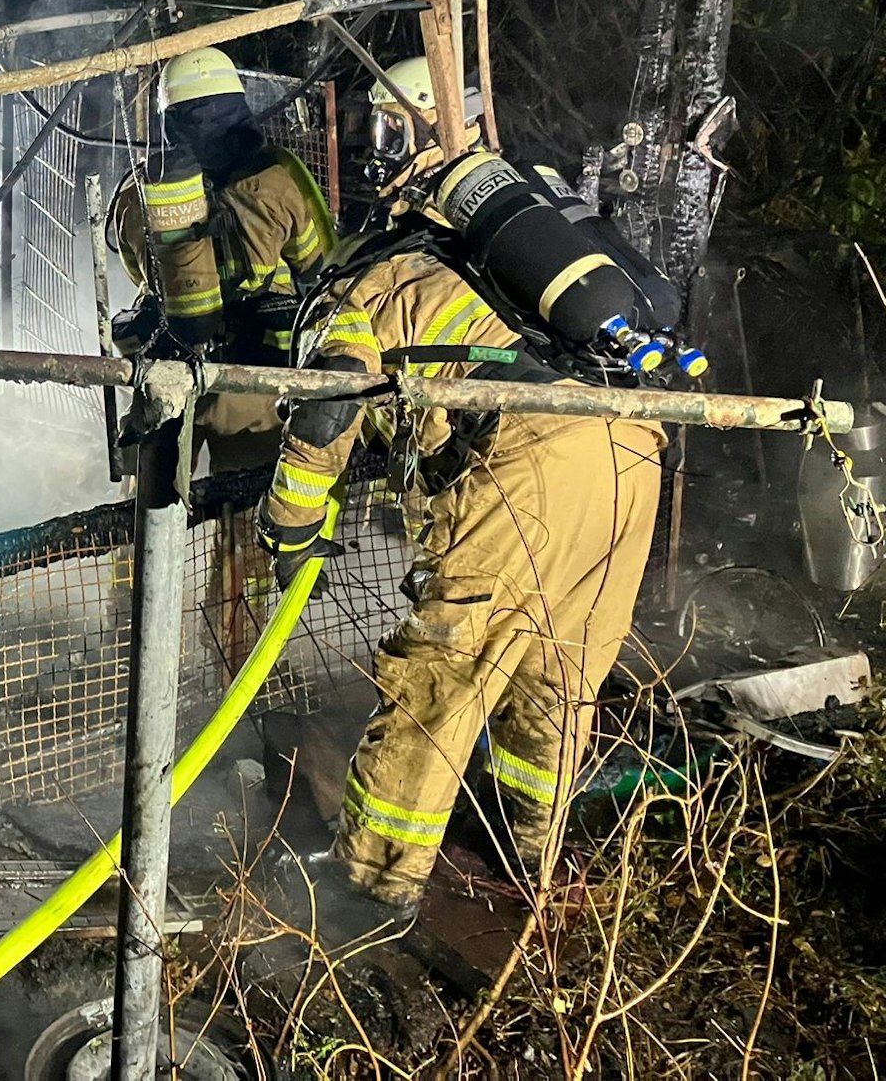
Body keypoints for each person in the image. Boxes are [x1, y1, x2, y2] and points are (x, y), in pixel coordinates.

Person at [255, 55, 668, 916]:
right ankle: (533, 867)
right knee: (561, 674)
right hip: (635, 447)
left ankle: (370, 889)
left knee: (442, 678)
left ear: (399, 133)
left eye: (377, 130)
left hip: (529, 467)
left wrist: (289, 527)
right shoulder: (544, 227)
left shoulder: (367, 268)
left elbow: (330, 406)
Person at [109, 46, 334, 471]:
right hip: (254, 381)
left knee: (151, 514)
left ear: (169, 118)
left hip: (170, 370)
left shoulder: (143, 195)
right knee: (245, 505)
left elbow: (136, 269)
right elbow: (315, 265)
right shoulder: (278, 184)